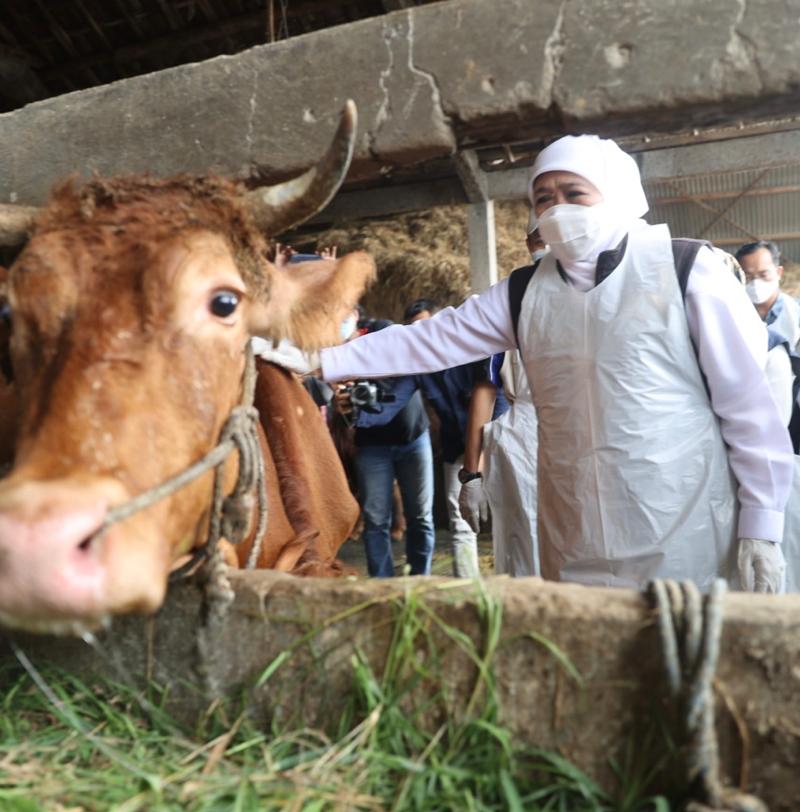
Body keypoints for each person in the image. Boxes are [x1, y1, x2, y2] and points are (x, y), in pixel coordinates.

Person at [318, 134, 793, 594]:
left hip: (683, 514)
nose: (557, 208)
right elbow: (428, 341)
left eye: (574, 193)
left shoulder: (685, 269)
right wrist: (321, 358)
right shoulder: (525, 292)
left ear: (616, 194)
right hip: (575, 522)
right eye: (544, 197)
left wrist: (761, 521)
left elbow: (746, 406)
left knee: (680, 652)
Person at [461, 223, 545, 577]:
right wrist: (471, 475)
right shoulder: (508, 304)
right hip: (524, 442)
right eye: (540, 237)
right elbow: (484, 390)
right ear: (527, 242)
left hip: (586, 435)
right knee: (528, 545)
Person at [402, 298, 508, 578]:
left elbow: (495, 401)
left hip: (496, 443)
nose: (423, 334)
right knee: (461, 519)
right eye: (415, 329)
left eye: (428, 326)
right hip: (455, 448)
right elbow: (396, 398)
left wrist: (481, 457)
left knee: (509, 512)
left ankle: (516, 583)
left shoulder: (471, 350)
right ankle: (467, 588)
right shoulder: (419, 366)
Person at [333, 319, 436, 578]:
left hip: (413, 440)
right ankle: (383, 585)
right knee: (376, 520)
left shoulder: (397, 348)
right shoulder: (346, 364)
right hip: (372, 448)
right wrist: (344, 404)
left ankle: (419, 582)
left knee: (421, 517)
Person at [736, 240, 800, 437]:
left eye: (763, 274)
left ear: (779, 273)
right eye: (748, 276)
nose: (756, 283)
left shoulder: (795, 313)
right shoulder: (734, 316)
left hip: (791, 403)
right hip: (747, 404)